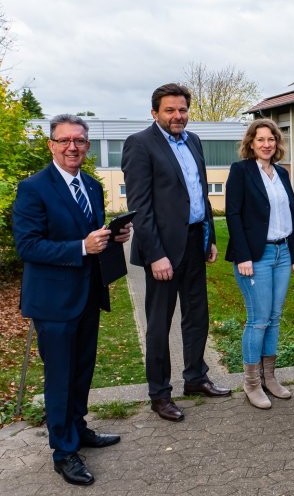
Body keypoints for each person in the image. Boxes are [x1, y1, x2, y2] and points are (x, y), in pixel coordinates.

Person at [12, 114, 132, 486]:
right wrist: (81, 246)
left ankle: (78, 430)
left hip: (87, 296)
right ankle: (63, 451)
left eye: (79, 141)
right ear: (51, 145)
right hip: (53, 303)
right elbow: (28, 246)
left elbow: (93, 236)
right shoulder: (33, 188)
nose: (72, 147)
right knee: (60, 377)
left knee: (81, 372)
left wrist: (114, 236)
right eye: (64, 140)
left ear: (87, 146)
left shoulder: (93, 187)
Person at [121, 83, 230, 422]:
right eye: (170, 110)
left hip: (195, 241)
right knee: (159, 324)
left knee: (197, 316)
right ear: (155, 113)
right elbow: (140, 206)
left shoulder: (193, 140)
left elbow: (199, 194)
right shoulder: (140, 144)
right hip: (163, 251)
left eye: (182, 110)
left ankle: (195, 378)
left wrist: (209, 236)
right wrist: (155, 255)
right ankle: (159, 394)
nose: (177, 116)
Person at [225, 119, 294, 409]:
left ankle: (270, 377)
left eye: (271, 139)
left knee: (274, 317)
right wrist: (243, 256)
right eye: (260, 140)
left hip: (283, 253)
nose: (266, 144)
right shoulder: (241, 171)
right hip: (256, 256)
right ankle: (251, 383)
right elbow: (233, 215)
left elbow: (291, 215)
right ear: (251, 143)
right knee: (258, 320)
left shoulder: (281, 173)